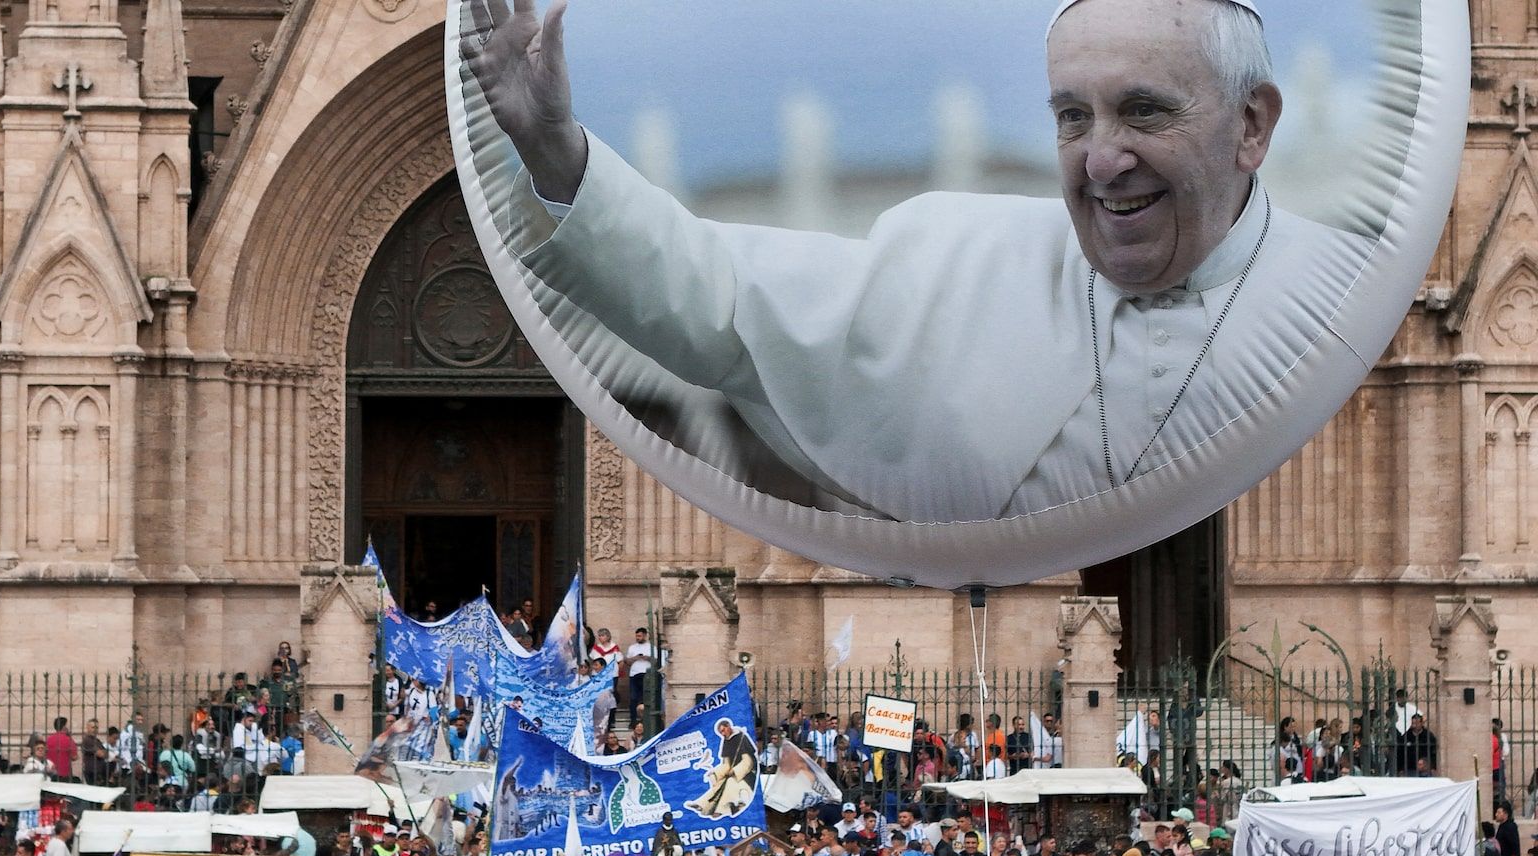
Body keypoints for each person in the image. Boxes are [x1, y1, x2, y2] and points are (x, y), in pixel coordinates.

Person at [459, 0, 1377, 525]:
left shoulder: (1349, 295)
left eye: (1144, 112)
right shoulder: (961, 258)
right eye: (1072, 117)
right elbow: (727, 300)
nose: (1102, 159)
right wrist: (555, 153)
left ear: (1252, 125)